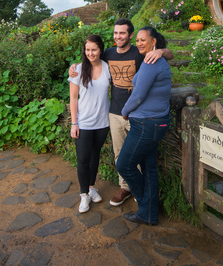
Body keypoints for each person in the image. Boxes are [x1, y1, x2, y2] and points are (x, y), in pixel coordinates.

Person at [70, 18, 173, 206]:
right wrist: (74, 68)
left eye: (122, 33)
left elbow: (170, 55)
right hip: (116, 112)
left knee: (138, 155)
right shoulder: (108, 54)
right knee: (120, 153)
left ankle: (139, 189)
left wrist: (160, 51)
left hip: (138, 112)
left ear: (130, 35)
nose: (118, 36)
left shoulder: (140, 52)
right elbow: (91, 59)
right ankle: (125, 187)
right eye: (116, 33)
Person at [117, 26, 172, 226]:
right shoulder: (157, 59)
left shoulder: (151, 63)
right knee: (149, 168)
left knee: (124, 165)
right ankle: (149, 213)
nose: (139, 43)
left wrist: (124, 111)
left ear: (154, 41)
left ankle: (147, 204)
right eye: (137, 40)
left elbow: (138, 95)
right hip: (155, 122)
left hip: (146, 124)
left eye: (143, 40)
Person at [68, 34, 112, 213]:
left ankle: (92, 187)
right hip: (84, 123)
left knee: (95, 156)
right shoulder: (77, 69)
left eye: (94, 49)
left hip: (102, 122)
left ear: (101, 49)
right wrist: (74, 123)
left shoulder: (107, 67)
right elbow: (72, 98)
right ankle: (84, 194)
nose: (90, 53)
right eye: (87, 50)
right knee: (83, 159)